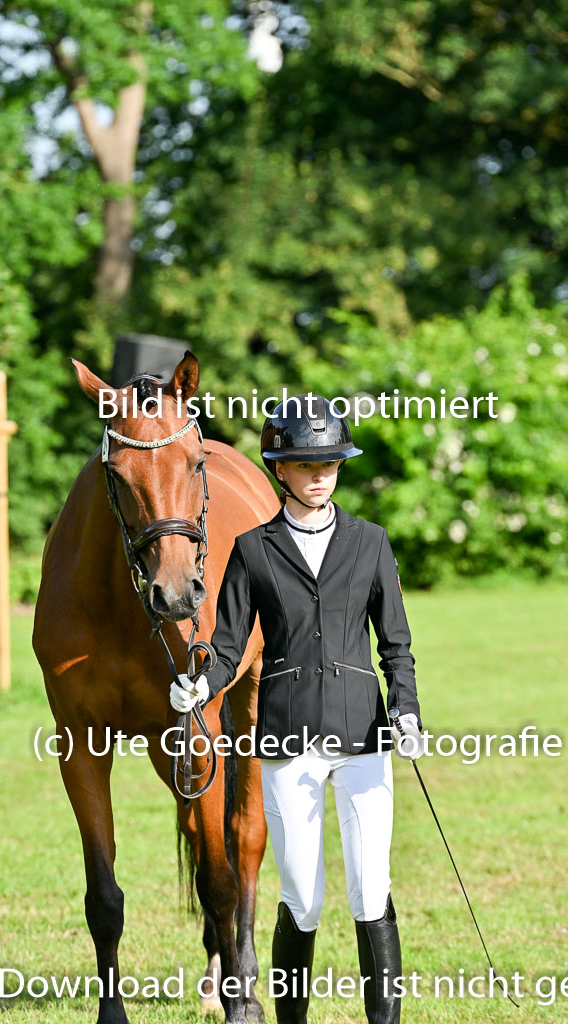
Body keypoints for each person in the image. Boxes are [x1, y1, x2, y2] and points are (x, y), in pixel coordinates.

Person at [170, 394, 425, 1024]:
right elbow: (228, 647)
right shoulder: (253, 550)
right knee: (303, 898)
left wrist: (407, 711)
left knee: (370, 891)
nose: (319, 476)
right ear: (279, 469)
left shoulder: (370, 543)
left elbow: (395, 644)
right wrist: (201, 686)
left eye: (330, 464)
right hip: (287, 739)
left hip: (363, 735)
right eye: (306, 465)